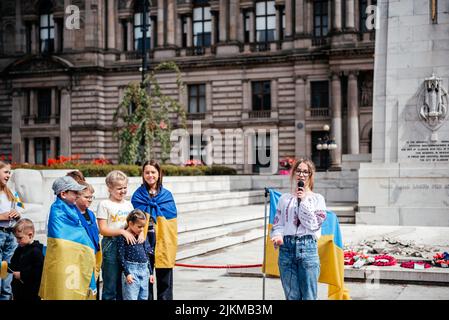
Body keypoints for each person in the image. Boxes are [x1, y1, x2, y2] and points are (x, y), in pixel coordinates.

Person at [270, 158, 327, 300]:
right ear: (294, 173)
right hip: (287, 250)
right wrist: (278, 236)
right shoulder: (284, 199)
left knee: (309, 296)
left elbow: (314, 225)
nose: (302, 174)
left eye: (305, 172)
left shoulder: (317, 199)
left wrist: (303, 202)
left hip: (307, 248)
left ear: (310, 175)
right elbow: (278, 223)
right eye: (299, 171)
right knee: (291, 296)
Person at [39, 175, 98, 300]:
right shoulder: (57, 210)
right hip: (66, 261)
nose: (77, 195)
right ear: (63, 194)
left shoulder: (70, 208)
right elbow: (60, 240)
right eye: (75, 192)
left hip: (76, 259)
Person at [131, 159, 178, 300]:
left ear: (159, 174)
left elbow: (171, 223)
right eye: (147, 172)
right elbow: (133, 222)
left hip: (163, 240)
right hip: (144, 241)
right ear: (143, 174)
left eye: (153, 172)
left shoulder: (167, 196)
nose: (150, 175)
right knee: (145, 281)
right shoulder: (138, 196)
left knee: (165, 281)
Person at [97, 170, 137, 300]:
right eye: (119, 188)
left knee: (125, 285)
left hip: (126, 246)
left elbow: (133, 225)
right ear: (109, 188)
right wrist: (121, 231)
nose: (123, 191)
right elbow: (103, 229)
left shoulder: (128, 204)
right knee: (110, 286)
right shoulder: (104, 204)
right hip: (111, 246)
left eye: (125, 188)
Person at [118, 209, 154, 300]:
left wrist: (150, 273)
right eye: (139, 227)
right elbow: (121, 256)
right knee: (131, 297)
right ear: (130, 224)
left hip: (144, 271)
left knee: (143, 297)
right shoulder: (123, 237)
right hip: (131, 271)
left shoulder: (141, 236)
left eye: (143, 227)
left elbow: (146, 254)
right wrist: (127, 273)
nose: (142, 229)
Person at [0, 161, 24, 300]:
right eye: (6, 172)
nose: (9, 175)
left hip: (10, 234)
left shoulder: (12, 192)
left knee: (7, 268)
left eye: (10, 172)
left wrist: (17, 213)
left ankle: (6, 295)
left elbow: (21, 207)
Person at [9, 218, 44, 300]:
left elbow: (38, 273)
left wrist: (22, 275)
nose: (17, 241)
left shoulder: (36, 252)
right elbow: (14, 265)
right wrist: (6, 266)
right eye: (16, 238)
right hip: (18, 291)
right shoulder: (19, 250)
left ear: (30, 235)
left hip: (31, 293)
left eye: (19, 238)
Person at [75, 181, 102, 288]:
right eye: (86, 197)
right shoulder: (73, 214)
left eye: (91, 197)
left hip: (94, 254)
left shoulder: (90, 213)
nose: (90, 199)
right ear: (76, 197)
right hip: (82, 256)